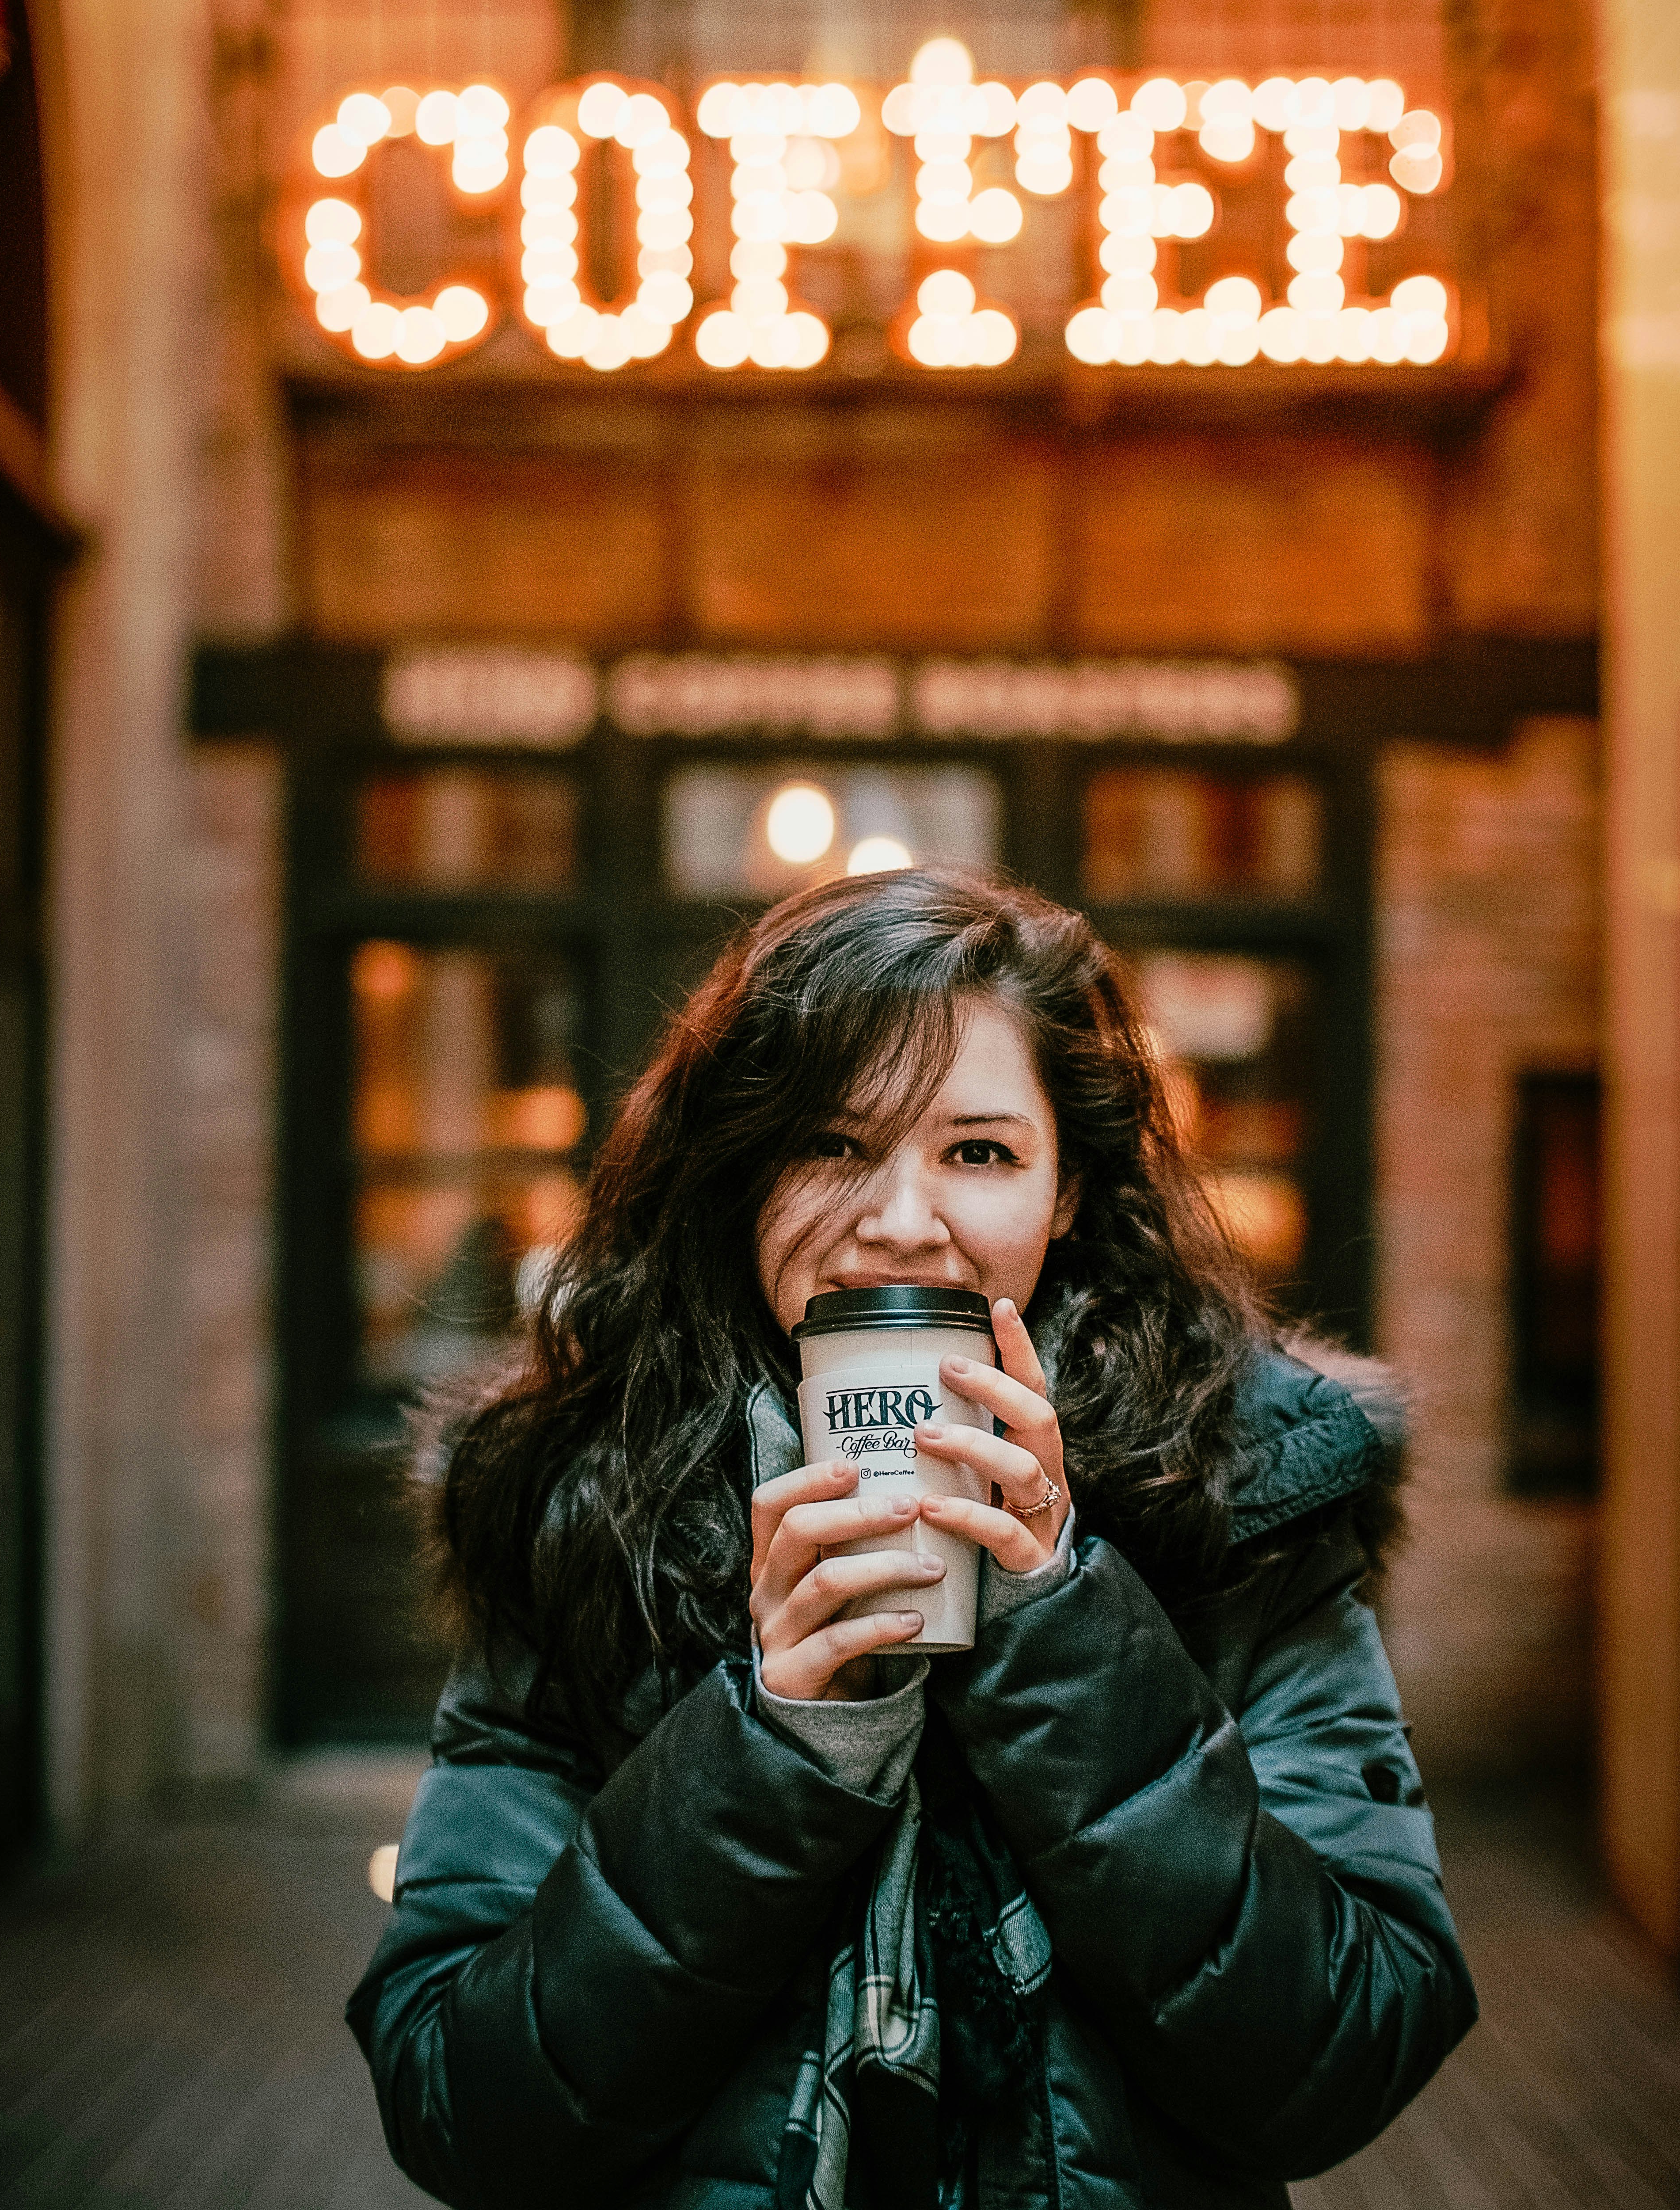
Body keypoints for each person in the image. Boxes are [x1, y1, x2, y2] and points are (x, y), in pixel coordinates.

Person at [349, 866, 1476, 2210]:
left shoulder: (1244, 1496)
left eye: (980, 1152)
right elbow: (461, 2105)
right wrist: (773, 1740)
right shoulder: (584, 1508)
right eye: (830, 1143)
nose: (897, 1221)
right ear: (742, 1176)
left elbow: (1345, 2052)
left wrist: (1059, 1622)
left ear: (1065, 1194)